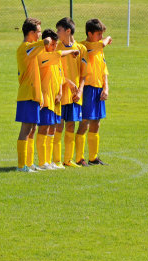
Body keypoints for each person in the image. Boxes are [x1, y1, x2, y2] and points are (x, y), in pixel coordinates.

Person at [34, 29, 79, 170]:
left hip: (56, 100)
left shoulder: (56, 59)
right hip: (46, 98)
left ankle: (50, 161)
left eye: (55, 44)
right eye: (52, 44)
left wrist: (60, 92)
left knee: (52, 128)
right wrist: (72, 51)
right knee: (44, 128)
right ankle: (42, 162)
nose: (54, 47)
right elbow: (59, 53)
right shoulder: (43, 56)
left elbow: (59, 77)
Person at [16, 17, 52, 172]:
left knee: (32, 129)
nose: (40, 35)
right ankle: (21, 166)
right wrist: (45, 40)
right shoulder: (24, 48)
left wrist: (41, 96)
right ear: (31, 33)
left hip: (34, 95)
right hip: (26, 94)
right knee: (25, 128)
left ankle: (29, 163)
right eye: (38, 32)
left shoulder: (33, 49)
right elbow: (40, 44)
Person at [54, 17, 89, 167]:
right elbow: (54, 70)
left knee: (70, 126)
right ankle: (56, 160)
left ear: (68, 31)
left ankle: (68, 160)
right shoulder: (57, 48)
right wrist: (67, 82)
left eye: (59, 30)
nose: (57, 33)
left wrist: (80, 90)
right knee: (58, 126)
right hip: (60, 93)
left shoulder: (81, 49)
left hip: (75, 96)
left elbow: (84, 73)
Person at [78, 19, 112, 165]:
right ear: (89, 33)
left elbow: (104, 70)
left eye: (102, 34)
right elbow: (103, 43)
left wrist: (106, 88)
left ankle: (93, 157)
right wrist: (108, 38)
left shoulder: (99, 49)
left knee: (96, 123)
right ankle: (79, 158)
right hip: (88, 88)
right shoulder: (85, 47)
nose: (100, 37)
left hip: (99, 89)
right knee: (84, 122)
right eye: (98, 34)